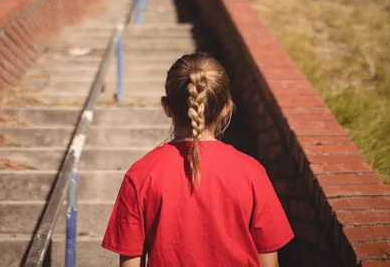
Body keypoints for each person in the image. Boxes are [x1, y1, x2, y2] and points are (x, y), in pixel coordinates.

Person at [101, 52, 294, 267]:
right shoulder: (252, 172)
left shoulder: (140, 174)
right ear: (226, 109)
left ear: (166, 107)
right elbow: (269, 262)